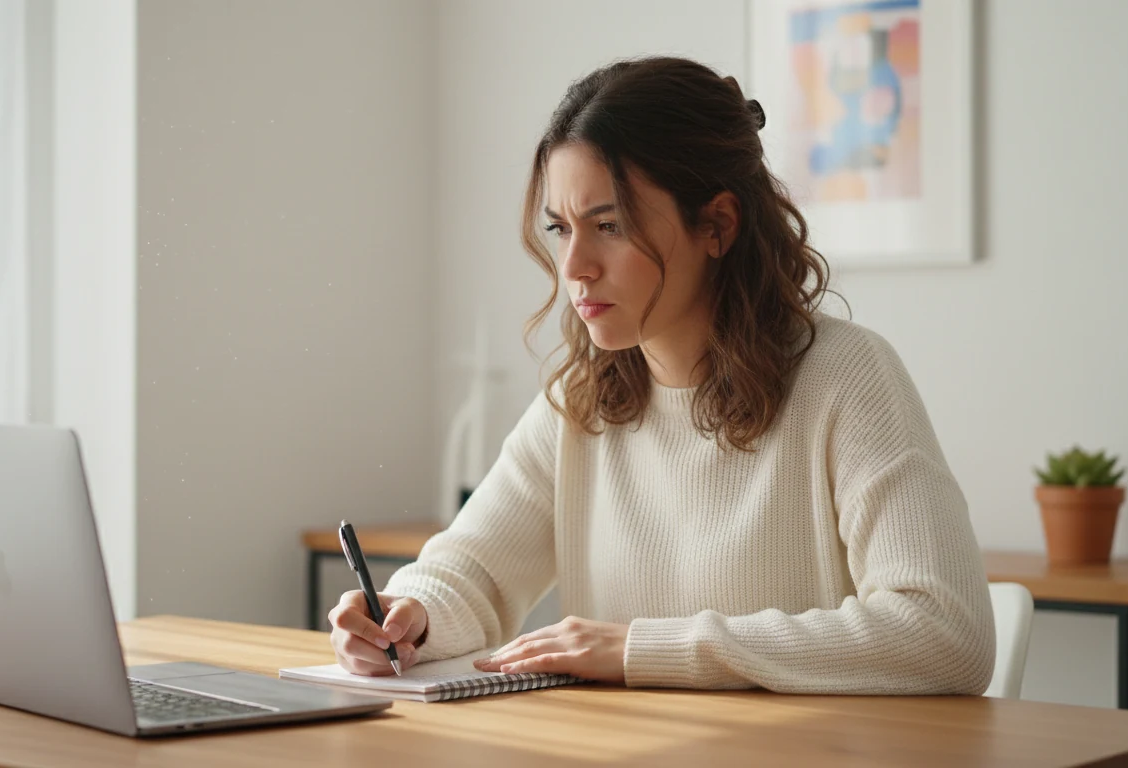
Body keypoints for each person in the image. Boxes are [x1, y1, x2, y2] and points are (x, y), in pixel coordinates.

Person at [328, 56, 995, 695]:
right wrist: (410, 614)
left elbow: (945, 631)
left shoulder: (848, 378)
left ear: (718, 224)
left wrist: (642, 649)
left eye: (608, 225)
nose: (575, 267)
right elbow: (474, 569)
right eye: (561, 229)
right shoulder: (579, 401)